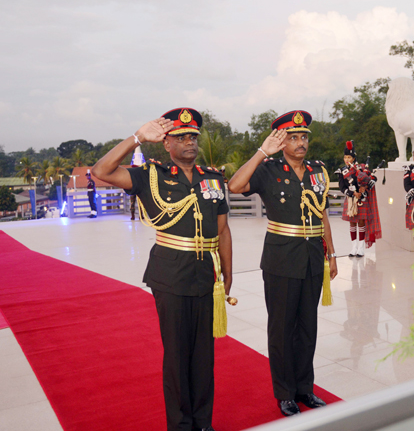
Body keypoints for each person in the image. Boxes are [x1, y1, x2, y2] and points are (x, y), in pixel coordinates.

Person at [92, 108, 234, 431]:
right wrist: (138, 137)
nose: (189, 142)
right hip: (170, 277)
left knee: (203, 358)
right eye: (181, 137)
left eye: (193, 137)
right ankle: (181, 425)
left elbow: (223, 231)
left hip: (205, 278)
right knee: (176, 358)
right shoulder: (151, 175)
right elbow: (102, 170)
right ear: (166, 143)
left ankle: (203, 422)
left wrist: (227, 275)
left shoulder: (213, 178)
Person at [228, 110, 338, 417]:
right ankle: (285, 393)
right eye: (293, 138)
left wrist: (332, 254)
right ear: (281, 140)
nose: (301, 143)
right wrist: (262, 151)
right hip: (281, 260)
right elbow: (235, 186)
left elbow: (322, 213)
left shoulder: (318, 171)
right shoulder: (267, 169)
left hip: (313, 258)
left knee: (307, 327)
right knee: (282, 329)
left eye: (304, 137)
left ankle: (305, 388)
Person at [338, 141, 382, 257]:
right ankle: (354, 247)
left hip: (362, 199)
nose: (346, 159)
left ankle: (361, 248)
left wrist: (365, 187)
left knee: (361, 223)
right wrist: (352, 193)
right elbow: (342, 187)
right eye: (345, 157)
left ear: (353, 158)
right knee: (352, 223)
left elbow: (373, 178)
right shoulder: (342, 171)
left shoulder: (361, 168)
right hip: (351, 199)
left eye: (349, 157)